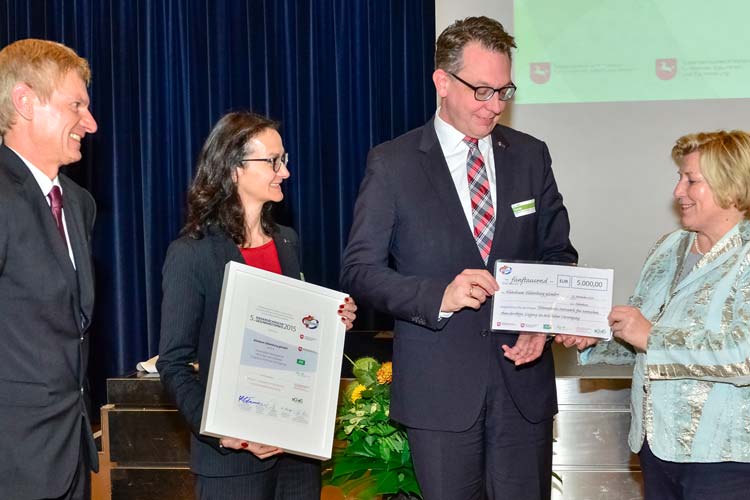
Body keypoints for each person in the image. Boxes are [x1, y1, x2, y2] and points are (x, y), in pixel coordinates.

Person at [340, 16, 577, 500]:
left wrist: (542, 322)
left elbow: (558, 254)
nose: (494, 106)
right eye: (482, 90)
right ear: (442, 82)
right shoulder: (393, 163)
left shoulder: (531, 156)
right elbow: (360, 270)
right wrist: (438, 296)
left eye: (504, 91)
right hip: (439, 395)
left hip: (523, 388)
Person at [156, 111, 357, 500]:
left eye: (284, 160)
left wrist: (333, 322)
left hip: (296, 457)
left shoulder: (287, 241)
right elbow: (174, 362)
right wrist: (221, 431)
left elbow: (294, 334)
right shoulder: (191, 254)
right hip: (231, 461)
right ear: (233, 169)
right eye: (274, 161)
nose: (285, 171)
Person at [570, 130, 750, 500]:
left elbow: (743, 354)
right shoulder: (669, 247)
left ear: (731, 184)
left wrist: (651, 336)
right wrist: (596, 338)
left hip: (726, 458)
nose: (678, 191)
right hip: (656, 448)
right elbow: (639, 334)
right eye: (679, 178)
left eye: (691, 180)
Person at [0, 39, 99, 500]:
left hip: (69, 453)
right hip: (12, 462)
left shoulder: (78, 204)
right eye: (75, 105)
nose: (90, 123)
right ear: (24, 101)